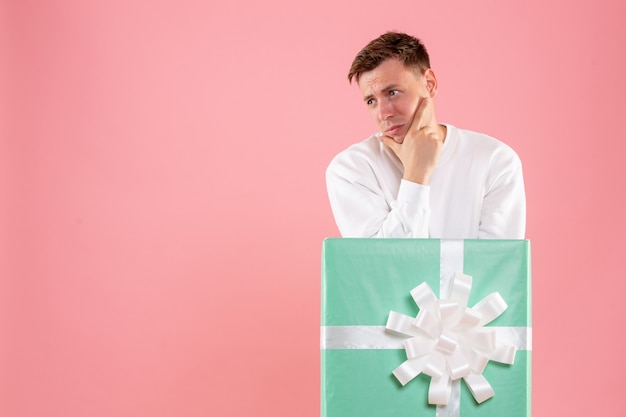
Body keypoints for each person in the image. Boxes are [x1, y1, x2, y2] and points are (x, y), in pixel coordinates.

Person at [326, 32, 526, 239]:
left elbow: (497, 265)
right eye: (371, 101)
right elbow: (384, 265)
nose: (383, 113)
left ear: (429, 84)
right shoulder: (351, 169)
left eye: (392, 93)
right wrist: (416, 175)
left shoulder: (495, 160)